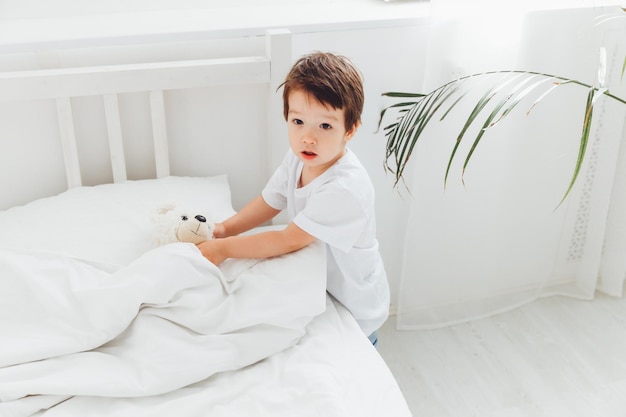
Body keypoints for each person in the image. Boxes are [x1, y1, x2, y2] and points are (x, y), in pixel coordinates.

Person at [197, 51, 389, 346]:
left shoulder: (344, 188)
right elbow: (270, 201)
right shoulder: (298, 158)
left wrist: (223, 249)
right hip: (320, 284)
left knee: (353, 363)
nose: (307, 137)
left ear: (350, 130)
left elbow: (288, 239)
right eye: (298, 121)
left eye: (325, 126)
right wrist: (225, 228)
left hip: (354, 305)